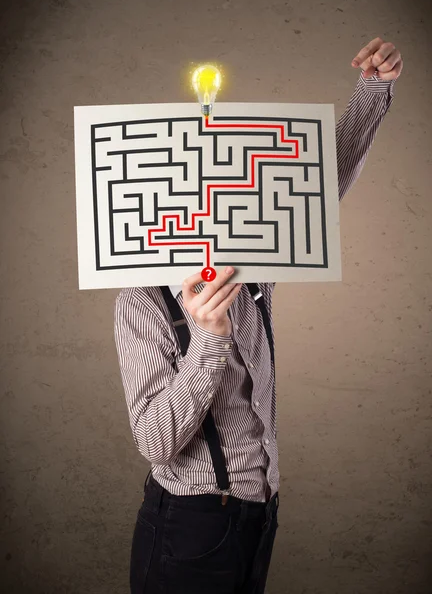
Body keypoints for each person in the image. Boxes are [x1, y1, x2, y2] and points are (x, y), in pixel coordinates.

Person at [114, 37, 403, 594]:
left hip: (259, 514)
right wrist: (208, 339)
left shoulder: (253, 270)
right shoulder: (140, 299)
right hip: (190, 525)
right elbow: (154, 443)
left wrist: (373, 88)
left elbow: (315, 187)